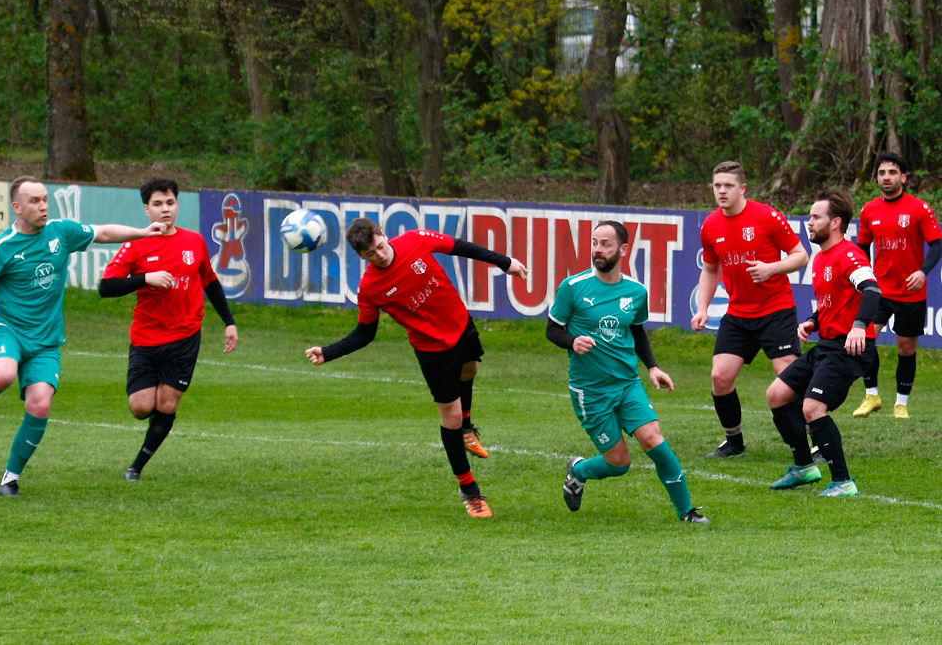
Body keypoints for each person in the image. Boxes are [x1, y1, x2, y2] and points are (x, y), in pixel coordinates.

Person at [0, 176, 166, 496]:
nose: (43, 206)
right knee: (3, 374)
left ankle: (9, 479)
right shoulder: (2, 247)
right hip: (9, 329)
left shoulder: (62, 231)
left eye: (45, 199)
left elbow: (102, 232)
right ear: (17, 207)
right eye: (34, 201)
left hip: (46, 341)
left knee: (40, 405)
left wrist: (142, 233)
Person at [304, 218, 527, 518]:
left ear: (385, 235)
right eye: (371, 254)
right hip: (433, 350)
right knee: (450, 416)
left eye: (381, 247)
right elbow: (365, 333)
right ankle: (469, 490)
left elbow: (459, 246)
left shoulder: (415, 240)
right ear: (362, 257)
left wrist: (504, 262)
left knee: (471, 370)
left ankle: (466, 429)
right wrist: (328, 352)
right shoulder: (370, 288)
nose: (380, 256)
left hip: (461, 324)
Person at [549, 220, 710, 524]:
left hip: (627, 384)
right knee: (619, 463)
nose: (598, 249)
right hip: (591, 391)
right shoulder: (572, 287)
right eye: (595, 242)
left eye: (605, 244)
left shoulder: (635, 291)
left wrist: (653, 367)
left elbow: (636, 331)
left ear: (623, 249)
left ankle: (687, 512)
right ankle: (578, 470)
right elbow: (552, 330)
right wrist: (572, 341)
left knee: (654, 440)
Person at [99, 179, 239, 481]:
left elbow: (210, 282)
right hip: (146, 338)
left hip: (185, 336)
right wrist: (145, 278)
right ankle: (143, 449)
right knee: (140, 407)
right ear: (146, 209)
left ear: (177, 205)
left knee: (167, 403)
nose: (166, 210)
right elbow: (106, 287)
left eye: (170, 203)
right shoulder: (135, 244)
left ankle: (136, 467)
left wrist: (229, 322)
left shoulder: (194, 241)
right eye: (158, 204)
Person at [766, 188, 880, 497]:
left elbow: (871, 290)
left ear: (835, 223)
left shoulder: (850, 254)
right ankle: (804, 467)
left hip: (849, 348)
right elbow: (835, 301)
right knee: (777, 393)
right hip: (827, 344)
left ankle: (843, 481)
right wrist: (813, 321)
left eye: (816, 217)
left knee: (813, 407)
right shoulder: (821, 258)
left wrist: (859, 326)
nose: (809, 222)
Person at [692, 161, 810, 458]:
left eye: (728, 185)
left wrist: (772, 268)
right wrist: (702, 308)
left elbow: (800, 256)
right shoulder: (710, 225)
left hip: (776, 310)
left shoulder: (767, 216)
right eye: (717, 185)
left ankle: (815, 442)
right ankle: (734, 442)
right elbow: (709, 269)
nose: (721, 191)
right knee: (720, 377)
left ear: (742, 188)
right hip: (739, 315)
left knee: (789, 379)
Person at [853, 153, 942, 419]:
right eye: (882, 173)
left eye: (892, 172)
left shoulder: (918, 208)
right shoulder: (869, 210)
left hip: (911, 292)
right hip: (878, 291)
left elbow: (937, 244)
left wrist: (923, 272)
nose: (886, 177)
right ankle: (872, 396)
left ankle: (901, 404)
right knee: (865, 340)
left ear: (903, 177)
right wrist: (861, 276)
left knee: (906, 348)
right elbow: (860, 248)